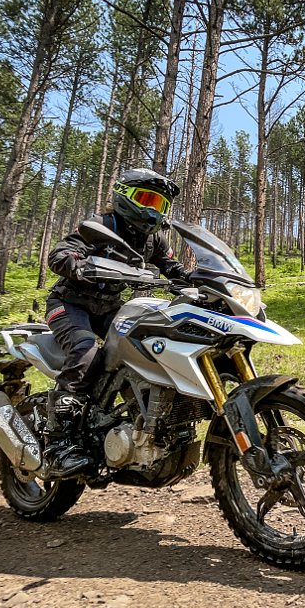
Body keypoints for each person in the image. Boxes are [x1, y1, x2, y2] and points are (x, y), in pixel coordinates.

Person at [43, 168, 189, 477]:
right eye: (147, 199)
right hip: (69, 303)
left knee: (143, 348)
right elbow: (59, 253)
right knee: (86, 351)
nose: (153, 209)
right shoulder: (100, 225)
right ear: (125, 196)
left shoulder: (153, 240)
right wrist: (78, 265)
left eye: (160, 205)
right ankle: (57, 443)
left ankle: (132, 426)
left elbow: (173, 268)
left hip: (109, 306)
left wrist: (199, 281)